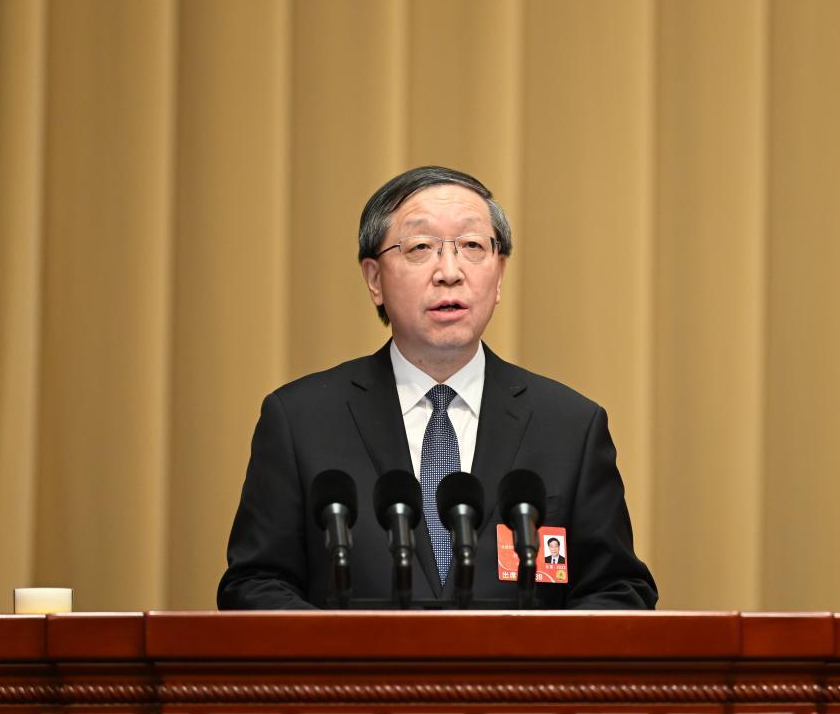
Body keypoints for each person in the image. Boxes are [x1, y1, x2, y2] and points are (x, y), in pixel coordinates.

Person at [218, 166, 656, 610]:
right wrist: (344, 650)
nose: (450, 272)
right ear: (374, 279)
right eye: (421, 247)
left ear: (499, 275)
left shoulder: (569, 426)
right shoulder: (301, 421)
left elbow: (619, 592)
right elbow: (255, 585)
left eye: (472, 246)